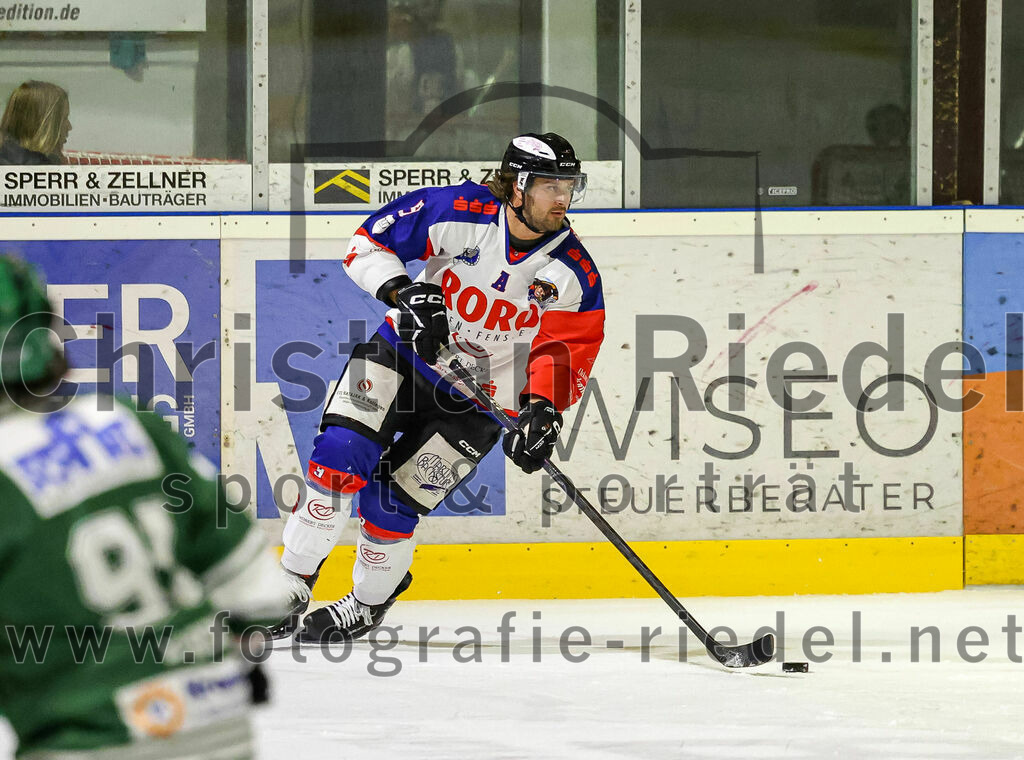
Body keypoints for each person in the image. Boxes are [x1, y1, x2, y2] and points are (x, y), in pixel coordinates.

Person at [274, 132, 605, 643]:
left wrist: (542, 410)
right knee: (338, 458)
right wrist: (403, 291)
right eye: (547, 185)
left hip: (477, 402)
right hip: (400, 358)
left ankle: (365, 603)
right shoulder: (459, 209)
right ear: (516, 187)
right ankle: (291, 583)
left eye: (568, 186)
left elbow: (567, 348)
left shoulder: (572, 270)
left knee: (391, 506)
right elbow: (366, 245)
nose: (561, 198)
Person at [0, 257, 292, 759]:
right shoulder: (125, 419)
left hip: (86, 740)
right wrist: (244, 650)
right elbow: (243, 566)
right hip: (216, 721)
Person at [0, 81, 72, 165]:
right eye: (64, 119)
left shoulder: (7, 156)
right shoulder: (41, 168)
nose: (69, 127)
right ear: (45, 124)